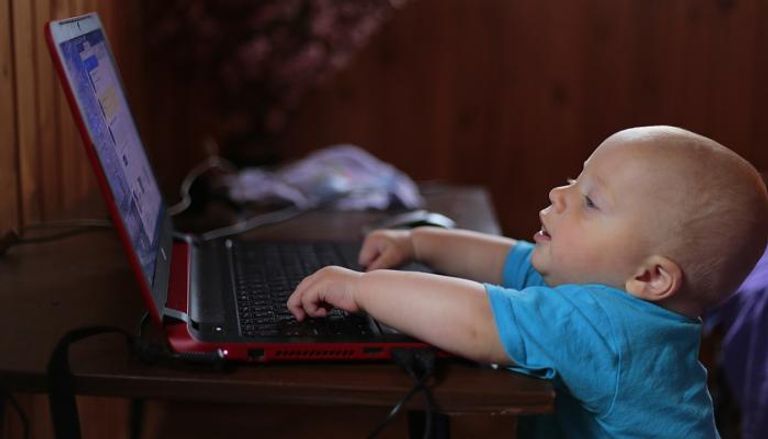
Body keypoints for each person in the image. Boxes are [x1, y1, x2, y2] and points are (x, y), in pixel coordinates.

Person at [287, 126, 768, 437]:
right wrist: (420, 244)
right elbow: (508, 261)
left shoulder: (614, 329)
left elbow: (478, 321)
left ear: (651, 275)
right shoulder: (602, 286)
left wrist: (360, 288)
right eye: (574, 180)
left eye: (590, 201)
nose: (560, 194)